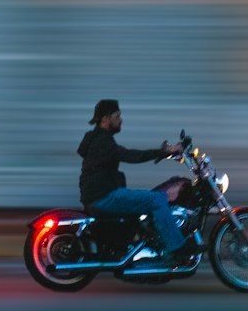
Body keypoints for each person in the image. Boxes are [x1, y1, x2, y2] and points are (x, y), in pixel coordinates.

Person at [77, 98, 193, 266]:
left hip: (99, 195)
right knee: (158, 198)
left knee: (149, 200)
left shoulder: (96, 139)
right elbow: (132, 156)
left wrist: (161, 153)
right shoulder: (102, 142)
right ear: (105, 118)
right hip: (104, 197)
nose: (120, 119)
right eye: (117, 116)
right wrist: (164, 152)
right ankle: (176, 249)